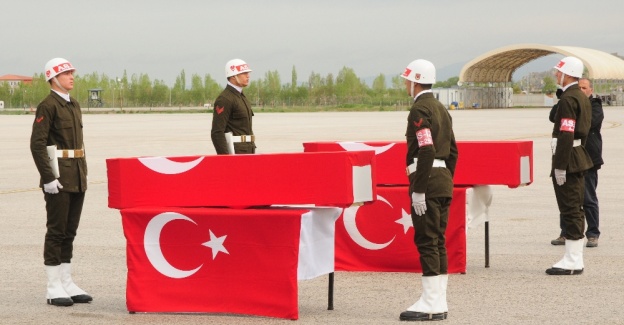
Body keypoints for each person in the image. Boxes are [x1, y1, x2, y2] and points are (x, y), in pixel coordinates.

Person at [30, 58, 93, 306]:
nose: (71, 77)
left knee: (70, 231)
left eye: (71, 73)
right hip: (58, 176)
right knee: (56, 231)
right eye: (66, 73)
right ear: (53, 78)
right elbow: (37, 144)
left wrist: (83, 174)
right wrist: (48, 178)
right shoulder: (48, 106)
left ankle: (66, 281)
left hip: (76, 175)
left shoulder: (73, 104)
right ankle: (53, 286)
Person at [399, 59, 458, 321]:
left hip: (428, 182)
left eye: (406, 79)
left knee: (426, 241)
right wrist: (445, 177)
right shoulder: (441, 109)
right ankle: (438, 300)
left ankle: (431, 302)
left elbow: (426, 149)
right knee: (438, 241)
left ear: (414, 81)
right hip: (442, 179)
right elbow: (453, 151)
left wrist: (420, 188)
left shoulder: (419, 109)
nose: (405, 83)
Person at [546, 56, 594, 276]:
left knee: (570, 208)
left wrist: (560, 165)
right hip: (577, 154)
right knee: (574, 206)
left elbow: (566, 132)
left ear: (568, 74)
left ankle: (573, 259)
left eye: (559, 72)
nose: (556, 75)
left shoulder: (568, 99)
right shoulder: (580, 96)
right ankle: (573, 257)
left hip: (568, 158)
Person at [549, 78, 604, 248]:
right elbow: (553, 117)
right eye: (578, 87)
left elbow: (586, 124)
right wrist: (563, 99)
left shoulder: (594, 105)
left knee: (587, 197)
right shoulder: (569, 101)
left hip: (588, 158)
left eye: (584, 88)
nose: (580, 90)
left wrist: (571, 107)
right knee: (568, 198)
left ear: (590, 90)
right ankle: (565, 232)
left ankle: (593, 233)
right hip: (571, 158)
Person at [210, 58, 255, 155]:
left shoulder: (241, 97)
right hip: (235, 153)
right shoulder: (225, 99)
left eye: (248, 73)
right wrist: (226, 159)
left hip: (248, 150)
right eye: (244, 73)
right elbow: (217, 132)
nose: (248, 76)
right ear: (233, 76)